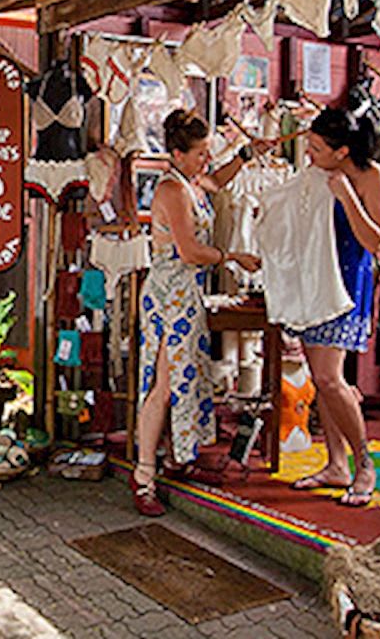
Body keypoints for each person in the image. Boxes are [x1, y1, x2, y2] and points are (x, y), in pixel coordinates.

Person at [134, 109, 263, 516]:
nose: (207, 159)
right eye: (201, 153)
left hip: (186, 295)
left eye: (208, 152)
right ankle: (144, 475)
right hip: (168, 296)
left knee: (186, 378)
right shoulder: (172, 190)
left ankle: (177, 456)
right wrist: (233, 257)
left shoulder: (191, 183)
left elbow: (217, 180)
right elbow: (189, 251)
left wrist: (246, 154)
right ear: (177, 154)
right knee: (163, 385)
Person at [290, 107, 380, 506]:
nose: (309, 154)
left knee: (330, 377)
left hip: (347, 283)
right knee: (321, 379)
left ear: (342, 151)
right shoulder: (317, 173)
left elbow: (374, 240)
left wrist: (347, 196)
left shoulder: (371, 176)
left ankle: (364, 464)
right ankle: (335, 464)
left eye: (316, 148)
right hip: (313, 282)